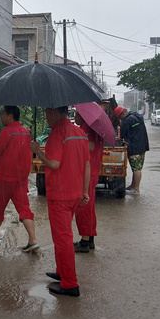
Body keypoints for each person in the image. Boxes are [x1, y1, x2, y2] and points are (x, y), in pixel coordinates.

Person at [30, 107, 90, 297]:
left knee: (62, 238)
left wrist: (37, 151)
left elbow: (54, 163)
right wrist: (85, 191)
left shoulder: (57, 134)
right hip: (74, 193)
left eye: (47, 113)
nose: (46, 117)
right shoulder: (80, 132)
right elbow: (87, 164)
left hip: (60, 194)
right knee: (62, 235)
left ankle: (70, 283)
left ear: (55, 113)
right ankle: (63, 273)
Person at [0, 106, 39, 252]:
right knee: (24, 208)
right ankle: (33, 240)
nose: (1, 117)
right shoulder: (26, 132)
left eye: (3, 114)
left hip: (5, 178)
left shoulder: (6, 132)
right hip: (21, 179)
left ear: (10, 116)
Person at [73, 110, 105, 253]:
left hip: (87, 171)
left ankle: (85, 240)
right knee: (89, 206)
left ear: (83, 115)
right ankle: (90, 237)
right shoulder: (96, 128)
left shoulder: (86, 128)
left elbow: (89, 146)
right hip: (93, 170)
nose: (74, 117)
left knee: (83, 205)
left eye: (76, 114)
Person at [114, 106, 149, 195]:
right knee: (137, 167)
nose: (120, 119)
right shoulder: (136, 116)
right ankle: (133, 186)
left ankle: (136, 189)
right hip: (142, 146)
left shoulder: (128, 120)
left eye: (119, 117)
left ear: (123, 114)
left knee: (136, 168)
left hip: (134, 147)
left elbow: (122, 134)